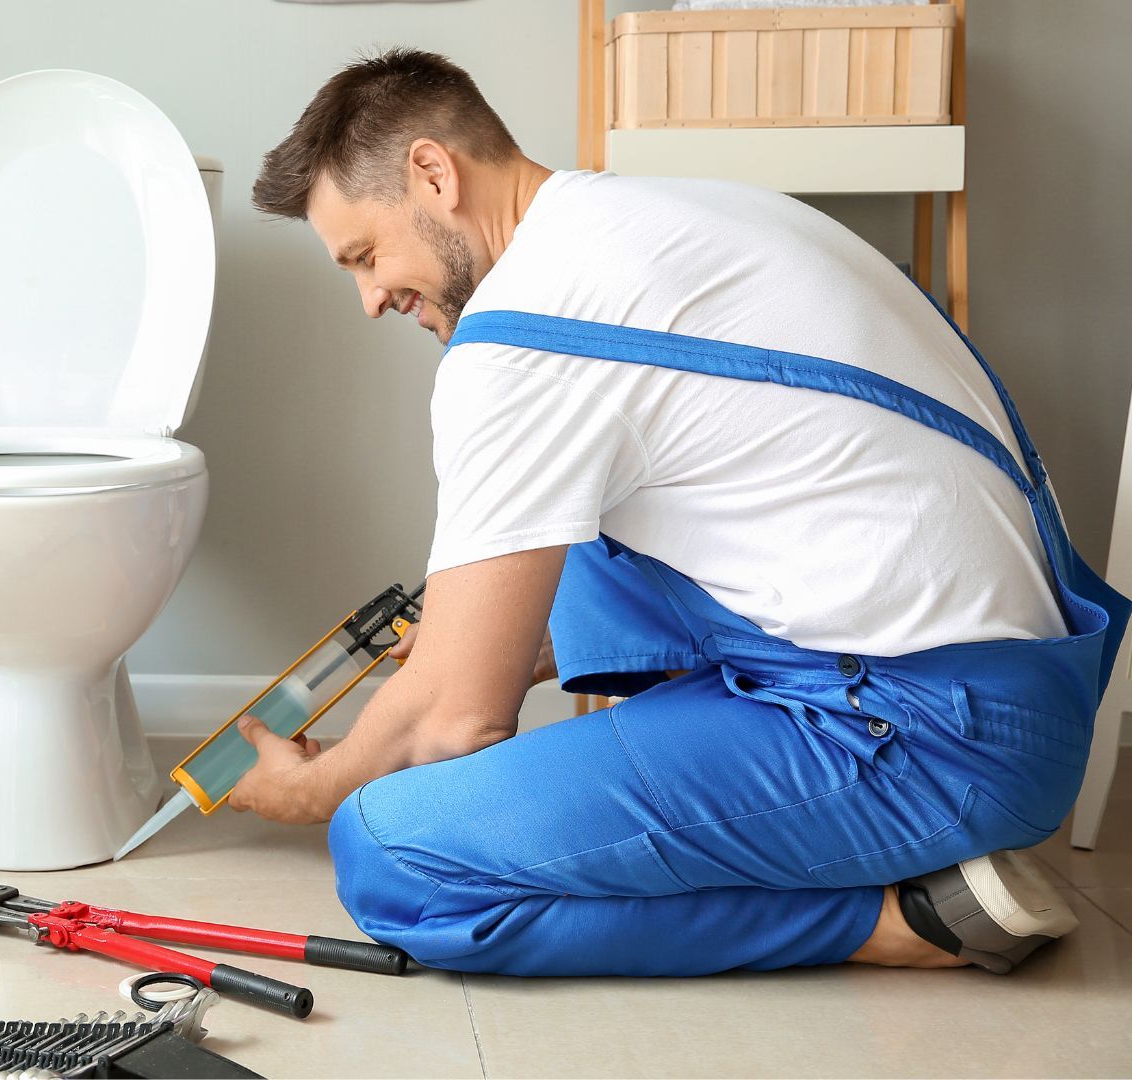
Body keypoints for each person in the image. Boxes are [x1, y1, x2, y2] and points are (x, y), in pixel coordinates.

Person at [224, 48, 1127, 976]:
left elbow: (447, 727)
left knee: (389, 853)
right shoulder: (670, 217)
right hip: (1020, 694)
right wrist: (499, 639)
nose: (371, 299)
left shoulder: (516, 342)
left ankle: (894, 921)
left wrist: (315, 789)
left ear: (432, 173)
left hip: (932, 740)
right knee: (578, 529)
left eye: (366, 256)